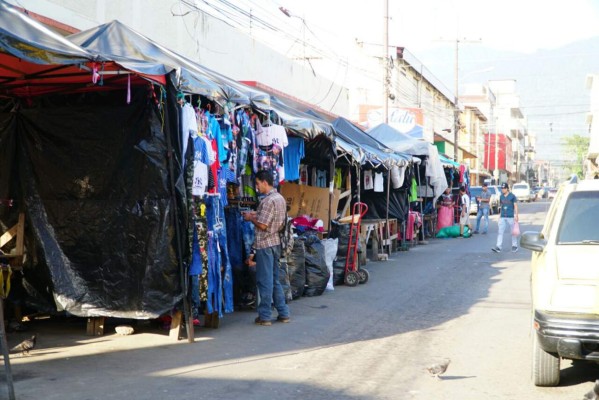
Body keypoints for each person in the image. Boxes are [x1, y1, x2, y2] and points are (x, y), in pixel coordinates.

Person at [242, 170, 290, 326]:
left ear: (264, 182)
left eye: (257, 183)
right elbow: (272, 218)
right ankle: (283, 313)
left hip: (265, 245)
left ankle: (265, 316)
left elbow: (263, 225)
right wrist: (256, 214)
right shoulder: (279, 199)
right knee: (275, 280)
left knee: (265, 281)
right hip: (275, 243)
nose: (256, 187)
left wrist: (250, 218)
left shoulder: (268, 201)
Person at [492, 183, 519, 253]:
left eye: (504, 188)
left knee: (513, 232)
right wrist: (499, 216)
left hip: (510, 216)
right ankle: (498, 247)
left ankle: (514, 246)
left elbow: (515, 206)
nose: (503, 190)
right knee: (500, 232)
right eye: (502, 188)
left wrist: (516, 215)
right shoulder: (501, 196)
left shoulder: (512, 196)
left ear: (507, 189)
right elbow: (501, 206)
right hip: (503, 216)